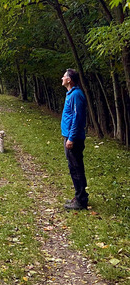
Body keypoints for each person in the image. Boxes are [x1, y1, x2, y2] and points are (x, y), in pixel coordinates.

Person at [61, 68, 89, 210]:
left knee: (76, 168)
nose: (62, 78)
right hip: (69, 136)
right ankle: (79, 195)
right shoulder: (70, 94)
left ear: (69, 79)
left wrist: (71, 138)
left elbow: (77, 119)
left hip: (74, 138)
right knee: (73, 167)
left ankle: (81, 200)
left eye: (64, 76)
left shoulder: (76, 95)